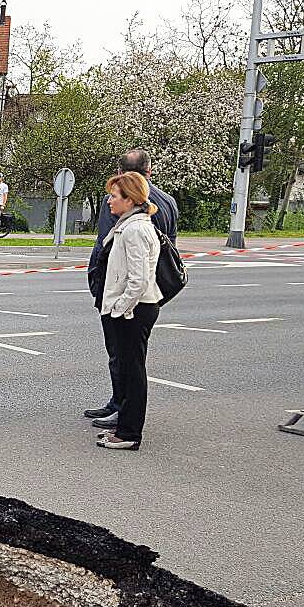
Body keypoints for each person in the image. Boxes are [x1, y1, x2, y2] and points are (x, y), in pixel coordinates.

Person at [85, 149, 178, 430]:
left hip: (127, 295)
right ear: (149, 171)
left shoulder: (132, 220)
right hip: (153, 288)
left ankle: (123, 412)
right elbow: (170, 245)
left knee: (124, 358)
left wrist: (116, 304)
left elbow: (107, 249)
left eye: (115, 195)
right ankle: (122, 410)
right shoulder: (168, 202)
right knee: (131, 357)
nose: (111, 200)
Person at [95, 171, 162, 450]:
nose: (109, 200)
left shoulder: (135, 229)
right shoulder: (130, 224)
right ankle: (124, 429)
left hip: (134, 311)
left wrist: (120, 310)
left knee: (133, 374)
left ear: (130, 199)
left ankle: (129, 434)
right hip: (132, 309)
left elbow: (138, 280)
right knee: (128, 371)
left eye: (114, 195)